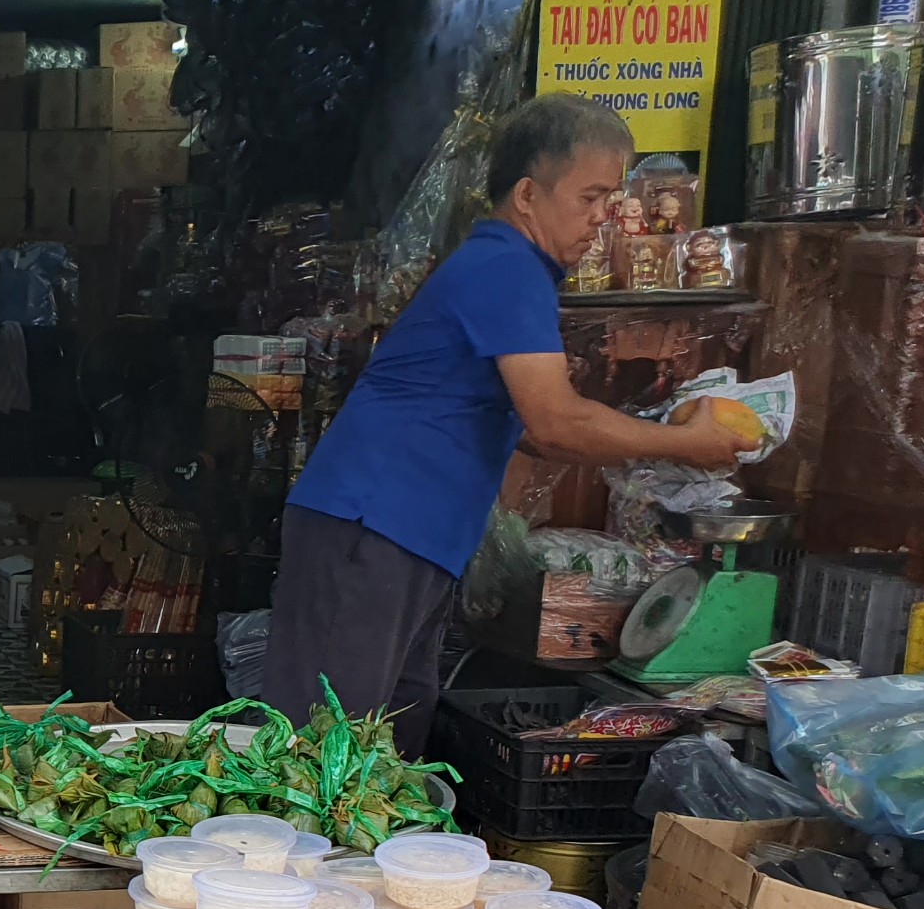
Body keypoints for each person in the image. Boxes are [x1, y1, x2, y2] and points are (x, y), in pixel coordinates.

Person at [264, 94, 742, 756]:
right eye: (590, 198)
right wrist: (687, 446)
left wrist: (647, 438)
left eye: (611, 201)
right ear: (527, 194)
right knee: (319, 751)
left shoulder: (508, 268)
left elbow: (517, 419)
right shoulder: (507, 267)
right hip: (371, 523)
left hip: (410, 533)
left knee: (383, 747)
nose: (602, 220)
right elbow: (553, 423)